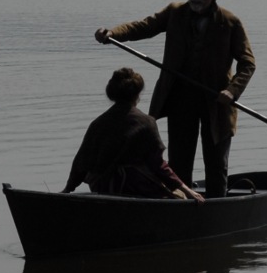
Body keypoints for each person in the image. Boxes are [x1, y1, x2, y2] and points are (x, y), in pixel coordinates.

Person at [93, 0, 255, 198]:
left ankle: (218, 210)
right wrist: (113, 34)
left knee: (216, 164)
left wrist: (232, 91)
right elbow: (144, 26)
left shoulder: (230, 22)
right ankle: (181, 206)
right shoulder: (175, 13)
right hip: (181, 100)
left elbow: (248, 63)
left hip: (217, 104)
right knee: (179, 163)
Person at [63, 67, 203, 200]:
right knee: (180, 196)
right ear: (137, 95)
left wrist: (67, 190)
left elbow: (80, 163)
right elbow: (159, 166)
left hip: (102, 186)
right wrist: (186, 190)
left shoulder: (97, 123)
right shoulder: (146, 122)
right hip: (133, 186)